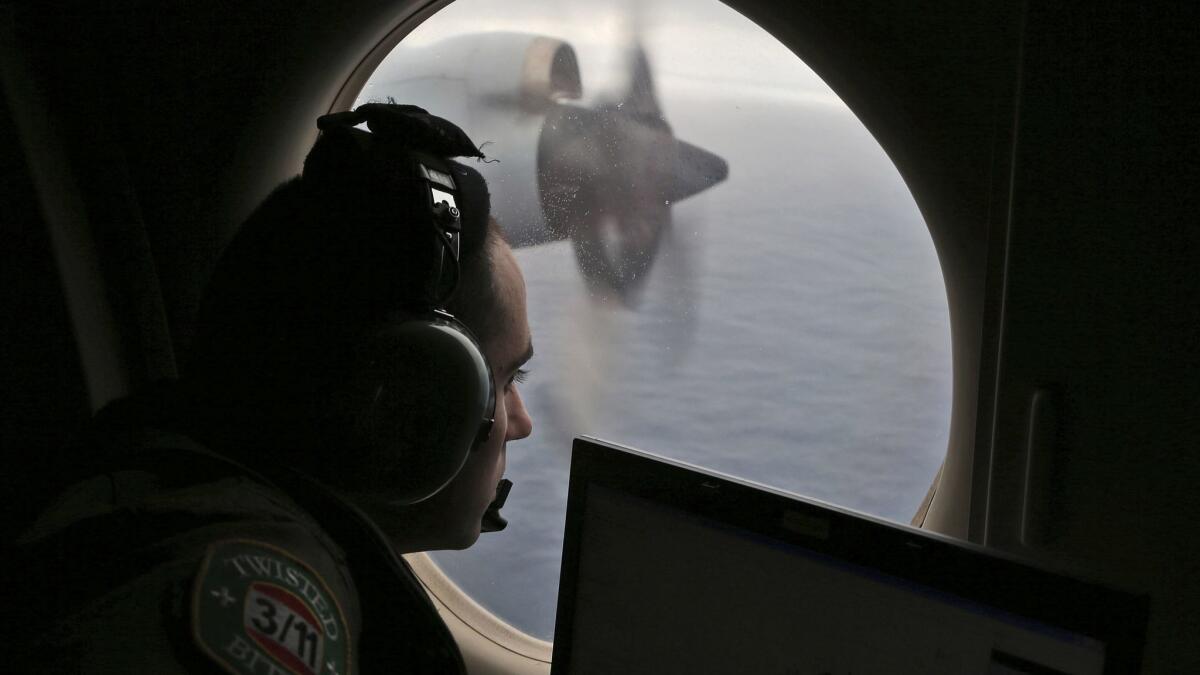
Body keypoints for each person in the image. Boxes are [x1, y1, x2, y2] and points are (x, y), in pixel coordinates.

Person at [12, 104, 533, 673]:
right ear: (406, 402)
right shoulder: (257, 588)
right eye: (506, 380)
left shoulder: (182, 492)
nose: (522, 421)